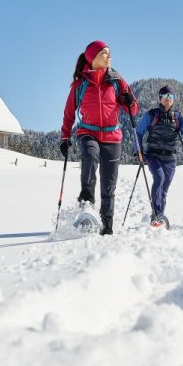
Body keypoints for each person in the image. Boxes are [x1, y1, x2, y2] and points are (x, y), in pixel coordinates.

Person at [60, 40, 139, 235]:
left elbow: (133, 109)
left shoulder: (116, 80)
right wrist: (64, 137)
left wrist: (129, 100)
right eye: (104, 52)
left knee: (109, 183)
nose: (109, 56)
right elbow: (69, 113)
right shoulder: (80, 85)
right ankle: (86, 204)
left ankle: (106, 224)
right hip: (88, 131)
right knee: (89, 155)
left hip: (112, 136)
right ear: (92, 58)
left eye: (109, 52)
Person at [134, 85, 183, 227]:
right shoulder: (151, 115)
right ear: (160, 98)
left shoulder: (179, 117)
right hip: (153, 155)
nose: (168, 99)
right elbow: (138, 133)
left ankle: (159, 217)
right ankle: (156, 216)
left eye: (171, 97)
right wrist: (138, 150)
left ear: (173, 100)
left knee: (164, 189)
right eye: (165, 96)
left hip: (170, 158)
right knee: (159, 179)